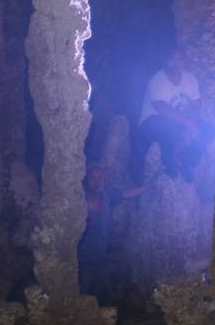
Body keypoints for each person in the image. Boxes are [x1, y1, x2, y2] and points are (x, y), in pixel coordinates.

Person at [130, 48, 204, 183]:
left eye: (179, 59)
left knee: (208, 130)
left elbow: (197, 104)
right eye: (172, 59)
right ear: (165, 61)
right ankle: (168, 163)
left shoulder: (190, 79)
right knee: (166, 126)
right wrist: (188, 124)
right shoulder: (157, 81)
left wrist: (191, 125)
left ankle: (185, 162)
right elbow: (162, 109)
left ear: (184, 61)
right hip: (150, 121)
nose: (175, 63)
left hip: (180, 121)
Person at [77, 164, 145, 303]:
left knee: (105, 297)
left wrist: (148, 187)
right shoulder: (80, 202)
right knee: (81, 297)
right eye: (94, 178)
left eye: (101, 177)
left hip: (100, 258)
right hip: (83, 261)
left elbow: (126, 193)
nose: (98, 181)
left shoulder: (107, 196)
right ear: (86, 180)